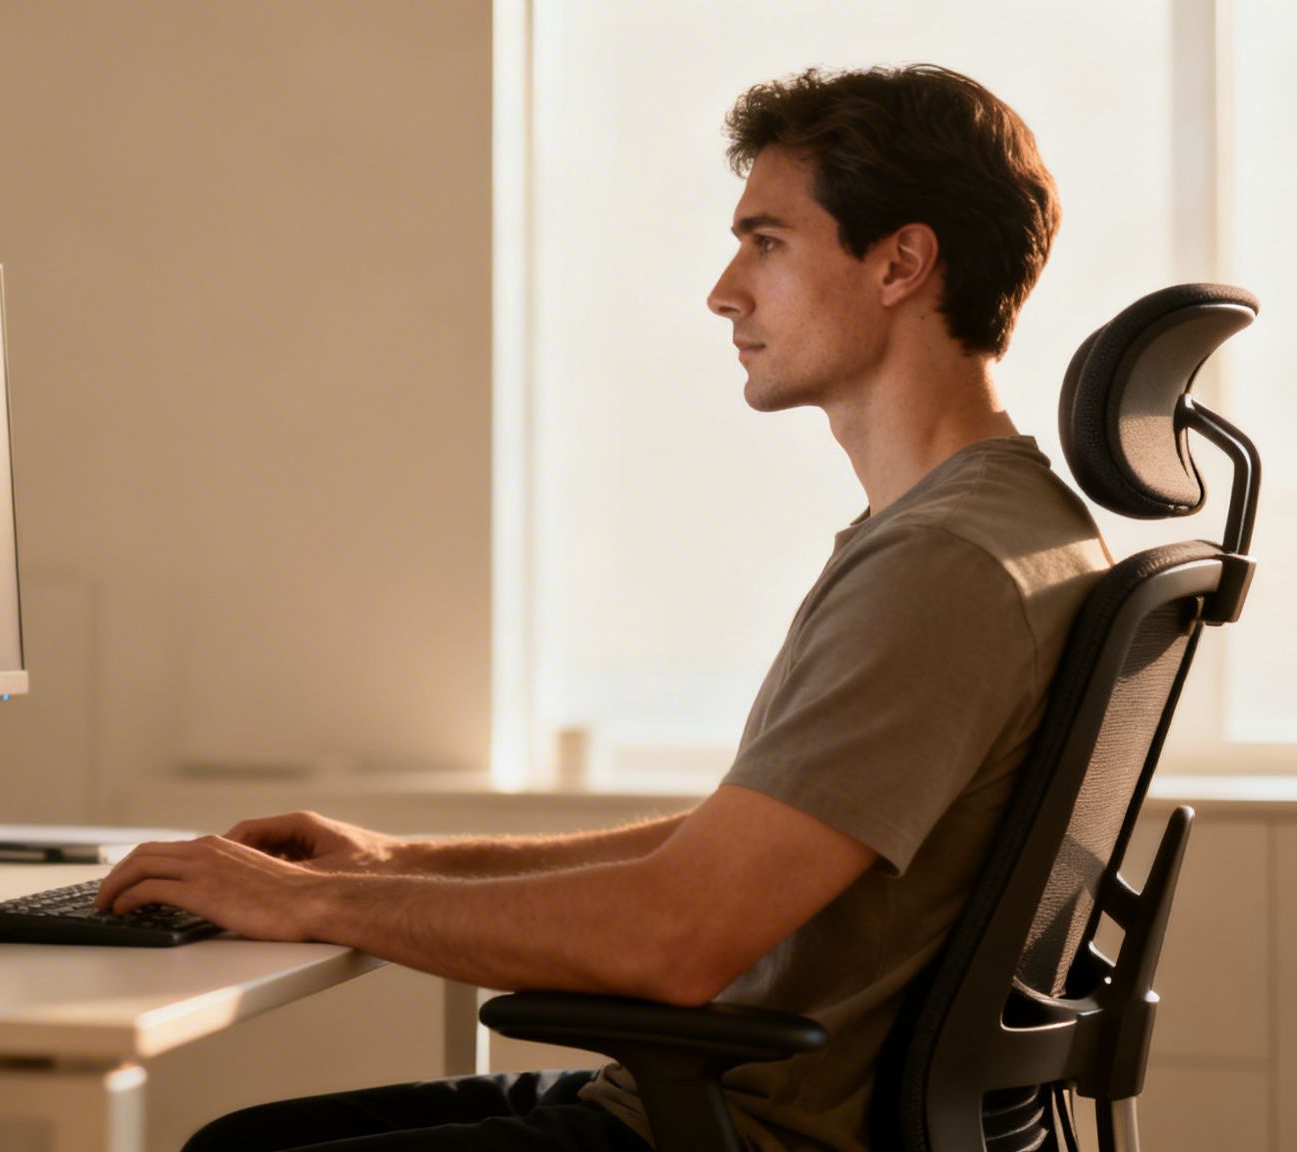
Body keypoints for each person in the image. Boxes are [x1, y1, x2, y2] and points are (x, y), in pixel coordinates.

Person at [97, 63, 1111, 1152]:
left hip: (748, 1134)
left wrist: (304, 904)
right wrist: (393, 863)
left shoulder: (943, 565)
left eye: (766, 242)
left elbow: (676, 935)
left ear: (900, 263)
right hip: (723, 1108)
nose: (724, 290)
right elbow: (733, 851)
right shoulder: (1008, 531)